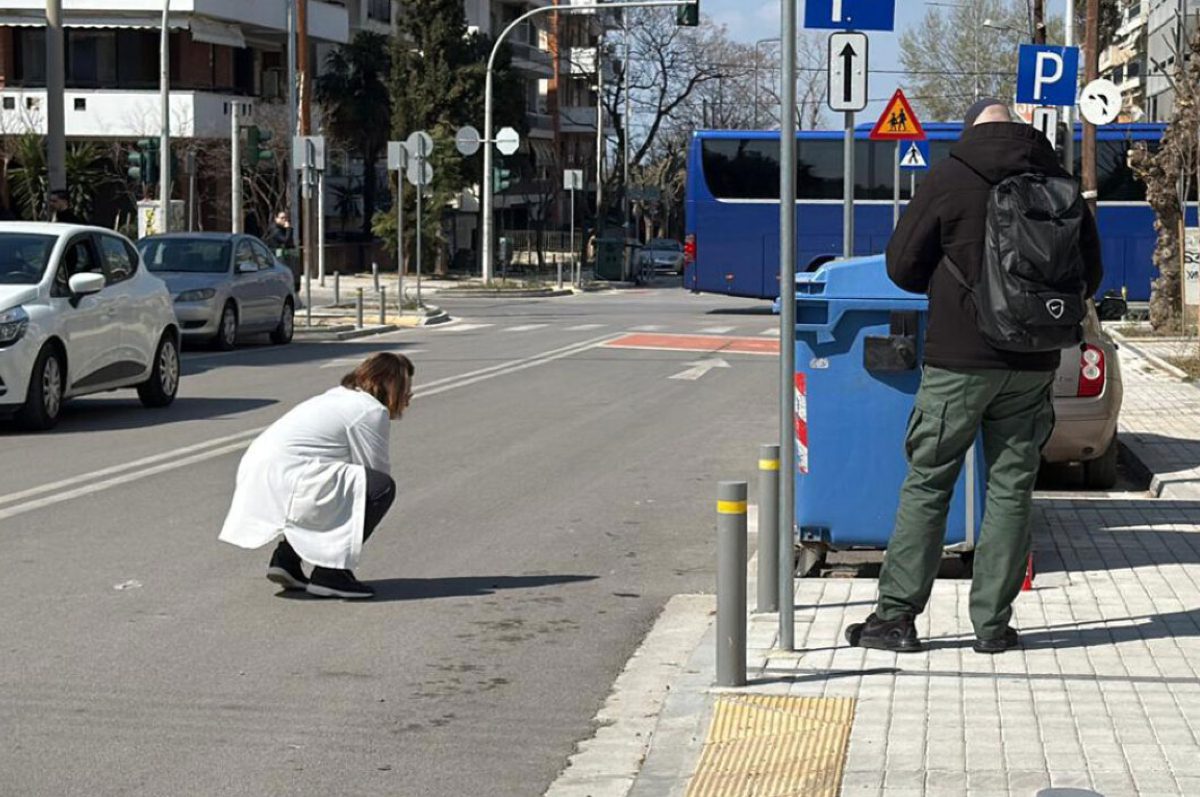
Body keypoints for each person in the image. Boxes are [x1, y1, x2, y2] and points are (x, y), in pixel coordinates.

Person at [844, 99, 1103, 654]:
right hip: (1033, 363)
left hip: (958, 361)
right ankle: (993, 627)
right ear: (1020, 127)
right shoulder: (1059, 180)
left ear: (971, 129)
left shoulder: (951, 176)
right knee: (1011, 490)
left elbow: (900, 266)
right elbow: (1091, 274)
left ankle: (895, 618)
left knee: (929, 482)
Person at [219, 353, 415, 600]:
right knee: (380, 488)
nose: (408, 397)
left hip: (262, 473)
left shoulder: (338, 396)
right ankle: (330, 573)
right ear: (387, 383)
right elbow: (376, 473)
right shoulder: (370, 411)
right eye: (406, 388)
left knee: (339, 488)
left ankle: (286, 561)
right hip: (291, 476)